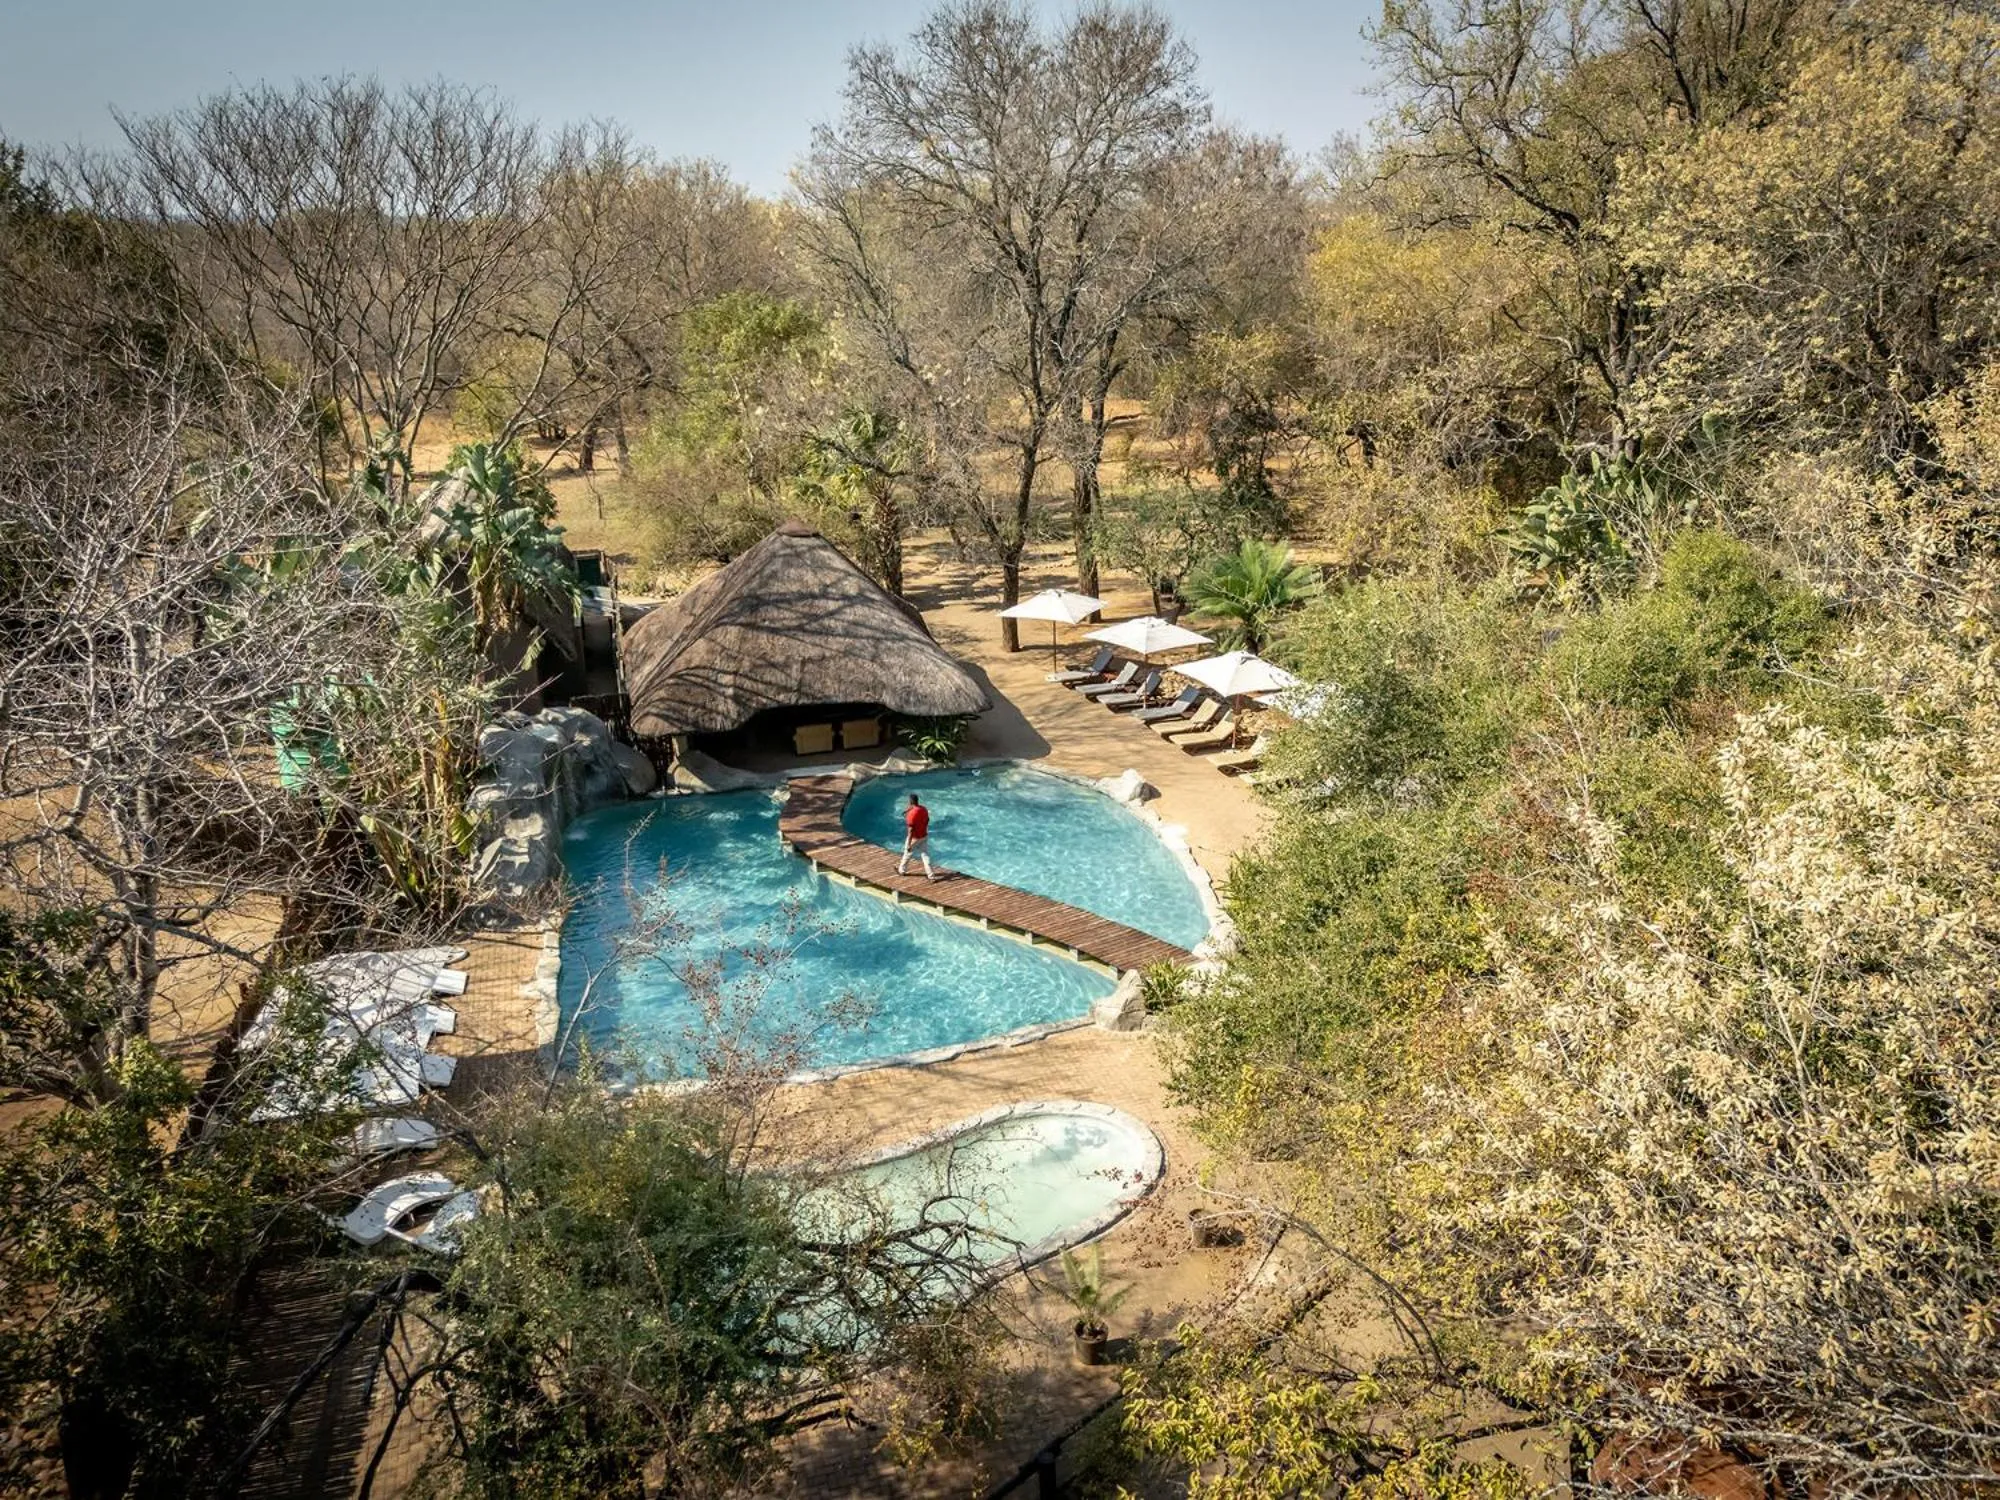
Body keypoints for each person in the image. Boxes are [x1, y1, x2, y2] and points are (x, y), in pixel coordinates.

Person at [897, 791, 934, 879]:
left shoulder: (911, 816)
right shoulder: (923, 809)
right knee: (925, 855)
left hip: (914, 838)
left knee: (907, 853)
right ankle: (931, 875)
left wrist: (909, 844)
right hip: (924, 836)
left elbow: (910, 831)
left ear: (910, 802)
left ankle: (901, 870)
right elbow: (927, 819)